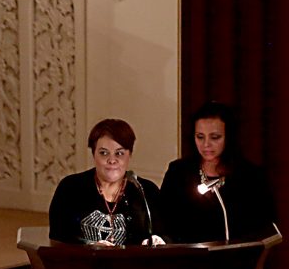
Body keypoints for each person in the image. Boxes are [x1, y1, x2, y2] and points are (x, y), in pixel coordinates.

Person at [159, 101, 278, 243]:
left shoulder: (250, 177)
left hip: (235, 260)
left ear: (228, 137)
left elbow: (264, 231)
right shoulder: (178, 172)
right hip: (187, 260)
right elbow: (164, 222)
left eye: (215, 137)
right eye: (200, 137)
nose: (206, 144)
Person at [49, 118, 162, 246]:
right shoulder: (70, 188)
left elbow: (165, 234)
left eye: (119, 153)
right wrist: (90, 247)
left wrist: (157, 240)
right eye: (104, 153)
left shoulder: (146, 190)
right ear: (93, 154)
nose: (112, 160)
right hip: (83, 264)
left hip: (133, 265)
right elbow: (58, 239)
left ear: (129, 155)